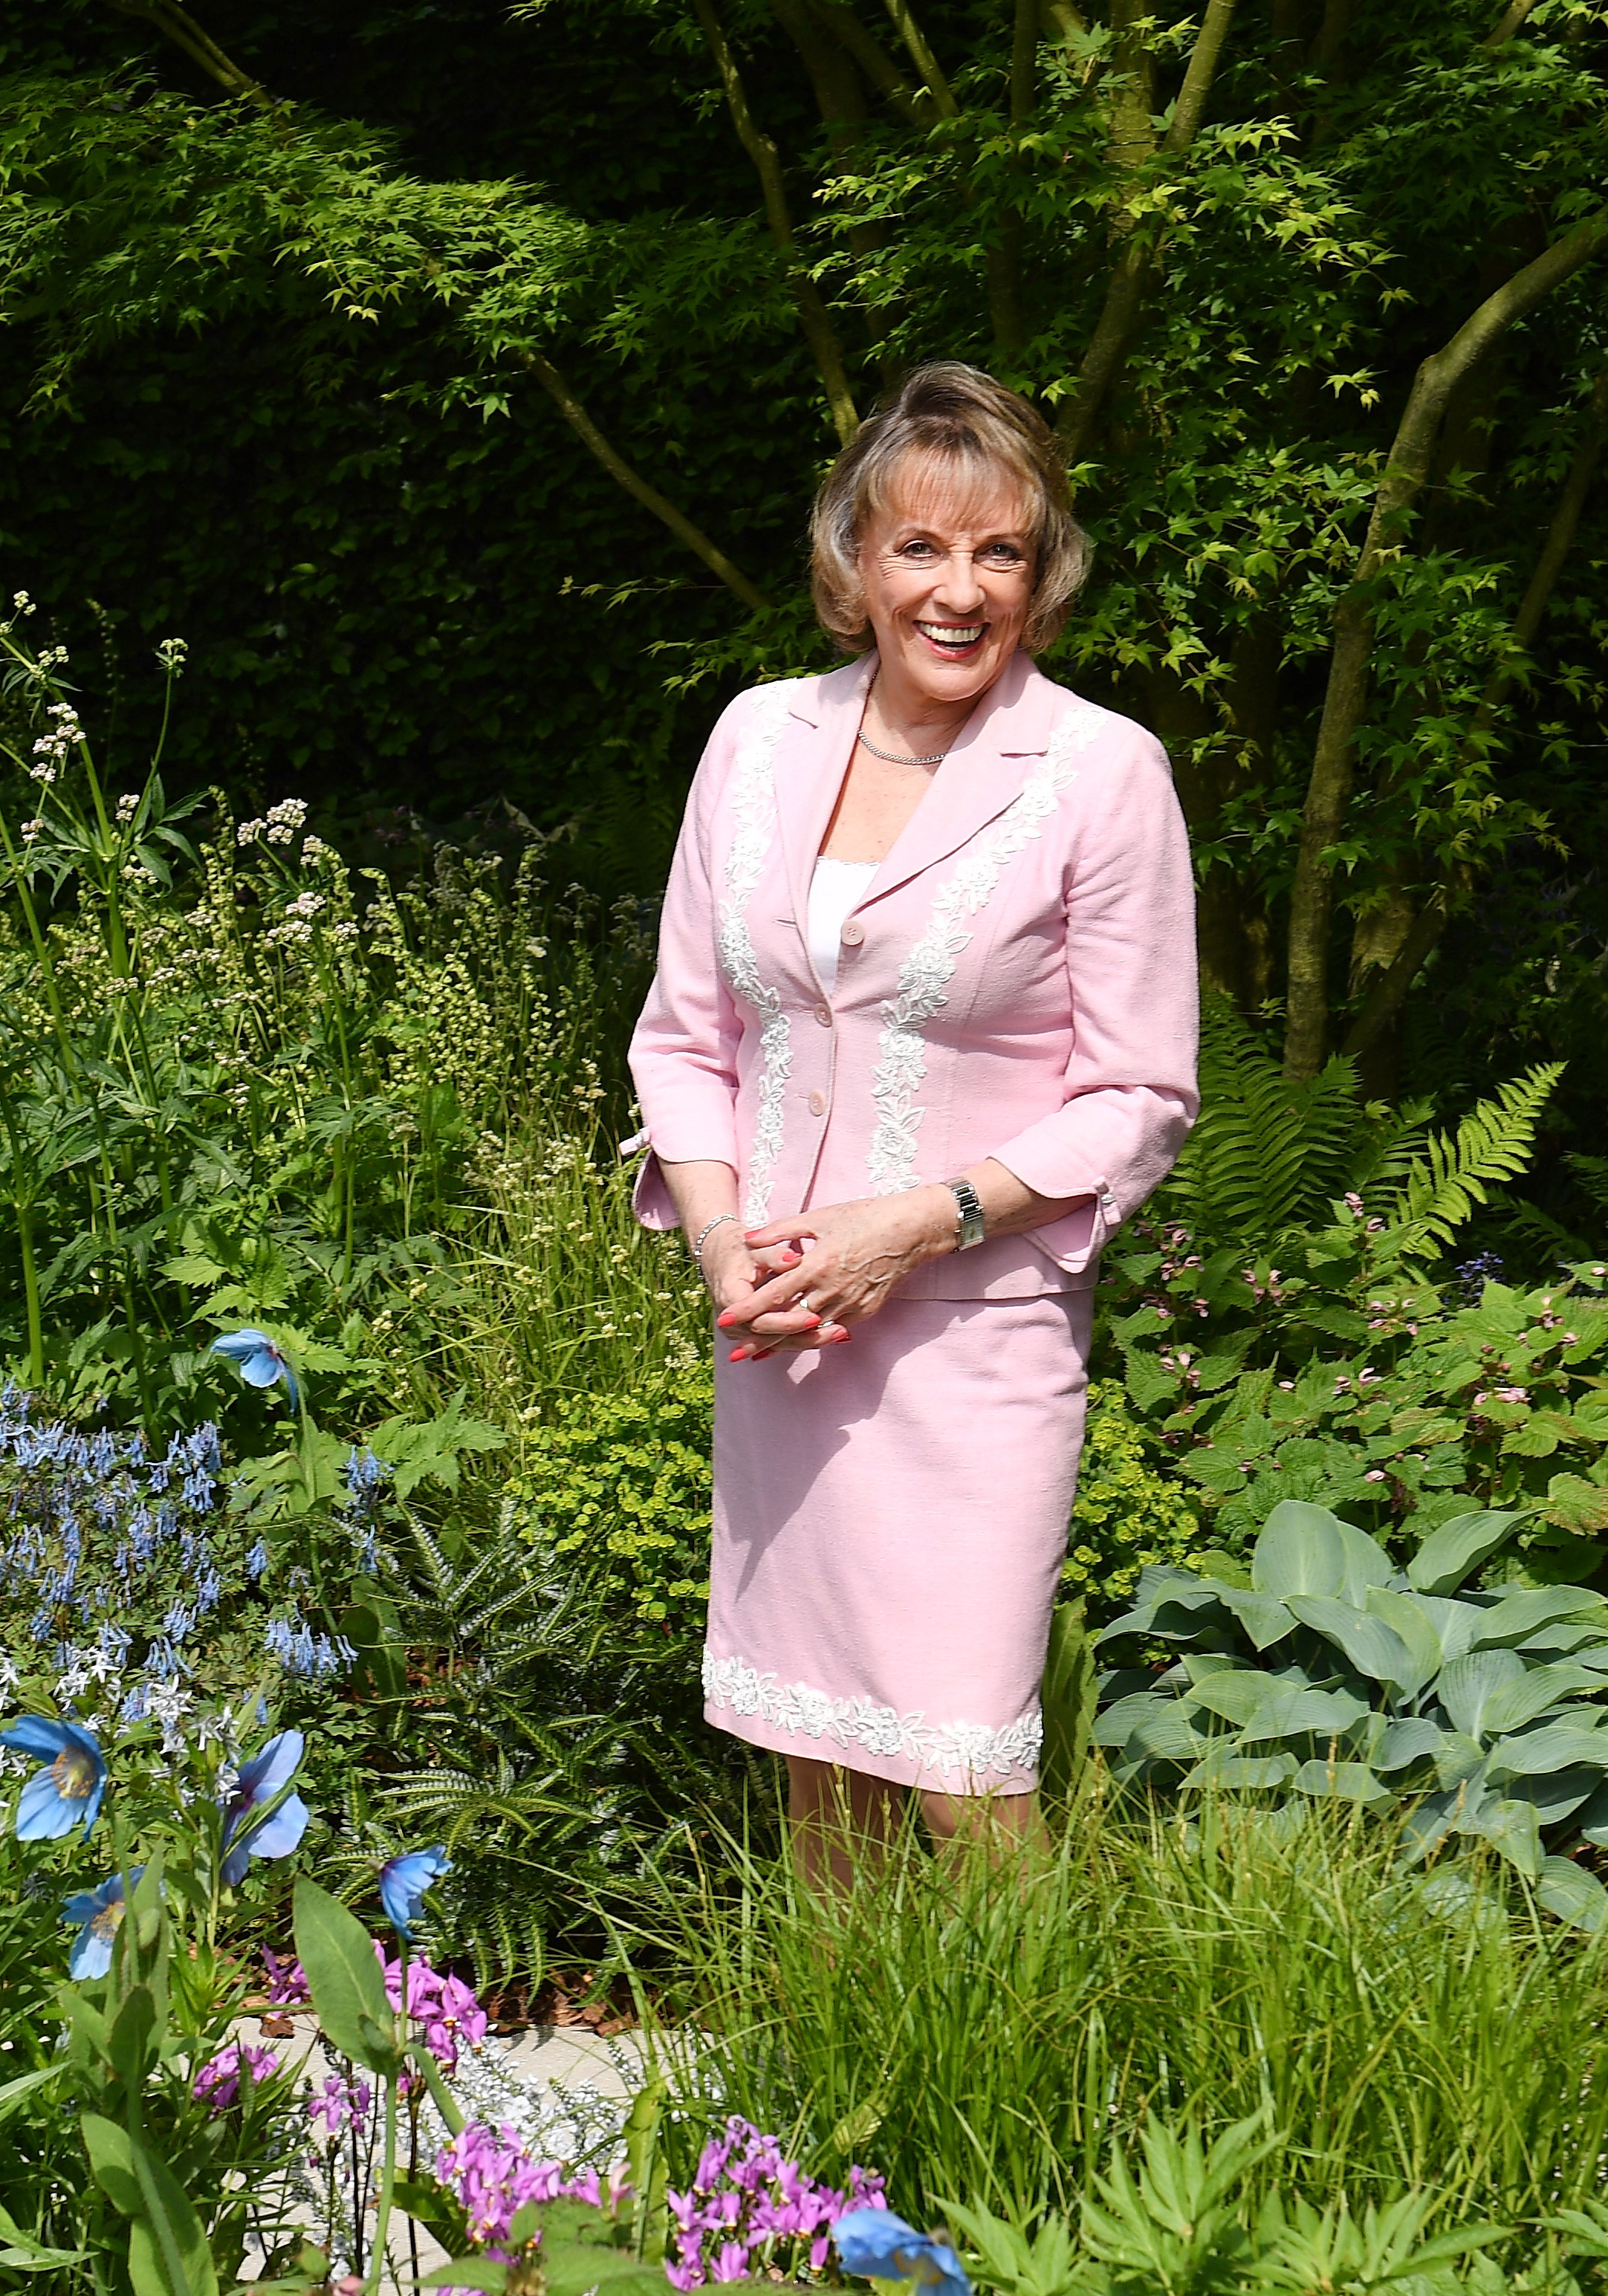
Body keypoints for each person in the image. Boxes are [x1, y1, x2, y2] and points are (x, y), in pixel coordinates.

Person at [626, 362, 1199, 1877]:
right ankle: (841, 2107)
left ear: (1042, 575)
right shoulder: (754, 739)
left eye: (997, 552)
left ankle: (1059, 2107)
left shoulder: (1098, 775)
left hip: (971, 1334)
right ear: (854, 566)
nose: (958, 591)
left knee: (961, 1771)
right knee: (820, 1771)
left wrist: (917, 1219)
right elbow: (683, 1037)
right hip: (778, 1335)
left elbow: (1138, 1092)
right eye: (920, 549)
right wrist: (719, 1244)